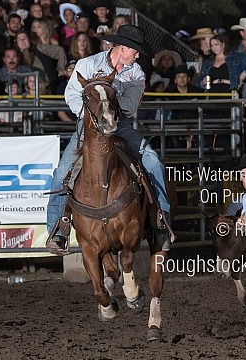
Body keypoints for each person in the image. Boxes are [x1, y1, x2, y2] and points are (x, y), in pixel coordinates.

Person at [46, 25, 172, 255]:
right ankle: (58, 229)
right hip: (90, 125)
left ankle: (160, 221)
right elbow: (71, 94)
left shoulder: (136, 74)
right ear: (123, 48)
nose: (138, 55)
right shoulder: (88, 65)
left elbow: (131, 106)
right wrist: (93, 116)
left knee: (153, 162)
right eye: (136, 51)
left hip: (119, 124)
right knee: (62, 170)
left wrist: (108, 100)